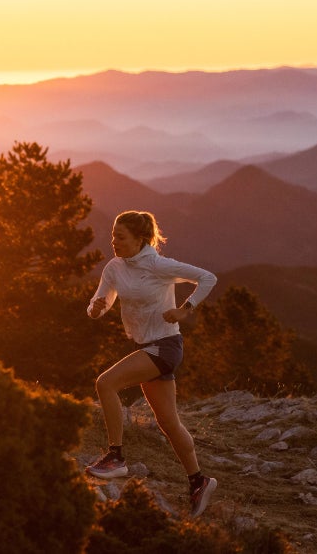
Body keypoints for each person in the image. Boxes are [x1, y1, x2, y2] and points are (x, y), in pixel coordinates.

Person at [84, 210, 219, 518]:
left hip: (166, 346)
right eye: (113, 236)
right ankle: (199, 481)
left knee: (105, 383)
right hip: (145, 346)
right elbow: (101, 302)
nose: (114, 242)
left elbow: (208, 278)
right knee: (168, 423)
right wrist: (96, 308)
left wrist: (185, 309)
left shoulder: (158, 265)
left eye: (121, 237)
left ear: (139, 239)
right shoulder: (114, 268)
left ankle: (115, 457)